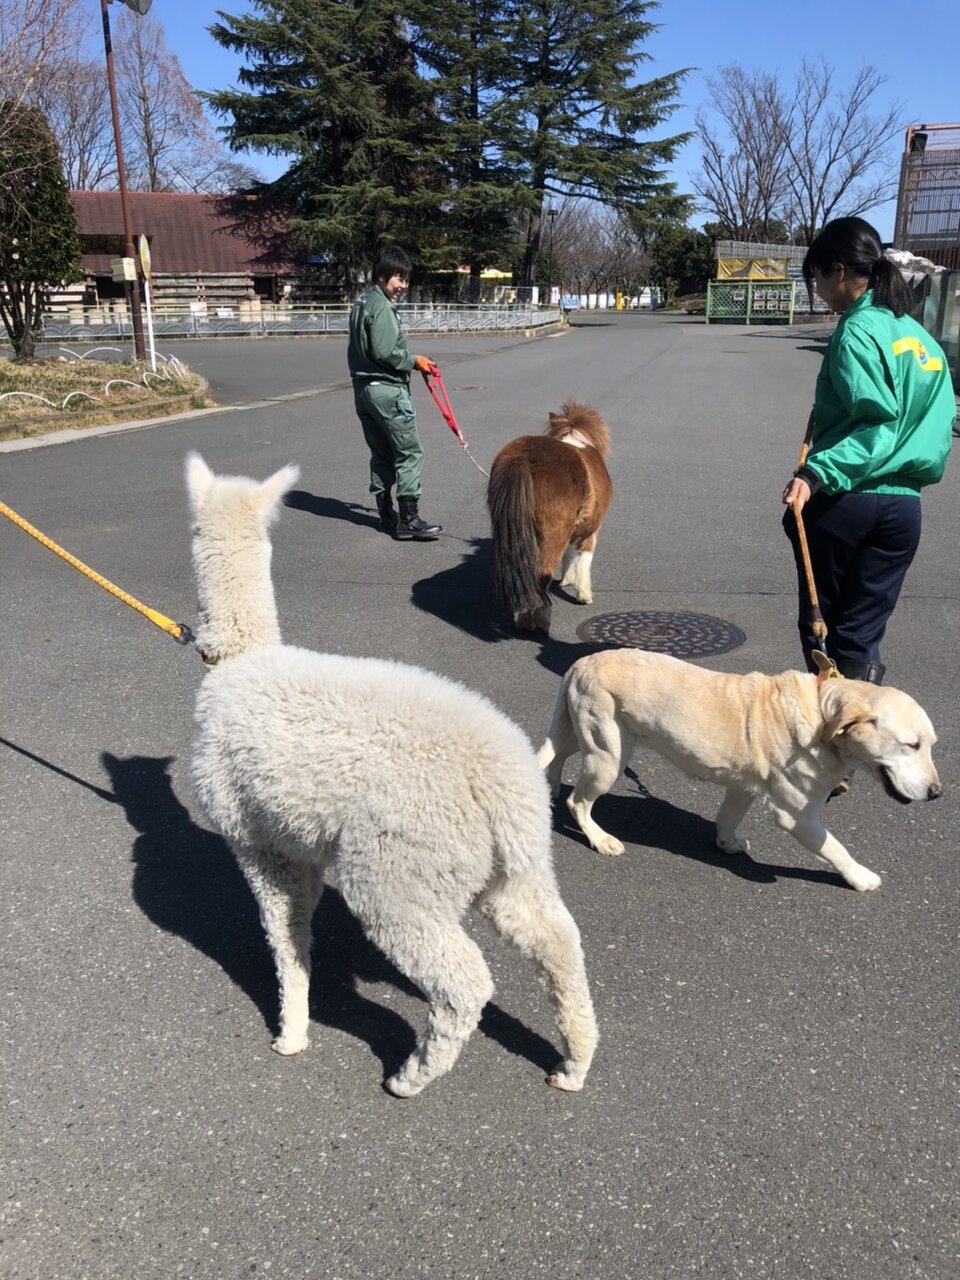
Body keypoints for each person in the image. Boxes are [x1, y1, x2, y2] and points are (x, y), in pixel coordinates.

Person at [782, 217, 955, 682]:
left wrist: (816, 472)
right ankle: (861, 741)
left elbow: (878, 423)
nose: (817, 289)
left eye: (817, 277)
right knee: (860, 636)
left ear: (839, 271)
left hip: (848, 500)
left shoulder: (855, 332)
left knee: (823, 635)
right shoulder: (921, 340)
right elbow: (938, 429)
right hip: (903, 511)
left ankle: (829, 743)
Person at [348, 245, 443, 540]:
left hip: (364, 390)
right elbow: (387, 351)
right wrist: (415, 361)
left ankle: (386, 515)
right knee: (410, 452)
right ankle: (409, 518)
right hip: (387, 391)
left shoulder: (362, 302)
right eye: (398, 279)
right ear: (382, 275)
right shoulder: (382, 308)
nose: (403, 286)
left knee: (381, 453)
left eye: (406, 280)